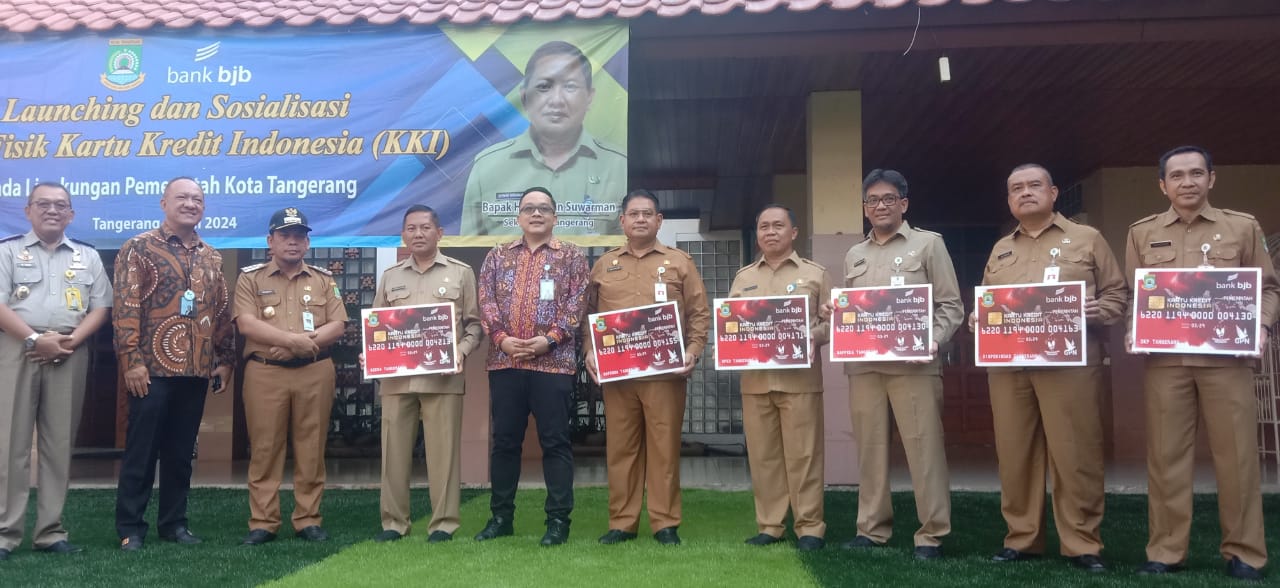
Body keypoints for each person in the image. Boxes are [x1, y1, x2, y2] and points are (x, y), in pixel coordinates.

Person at [1125, 146, 1277, 581]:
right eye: (1177, 176)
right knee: (1166, 458)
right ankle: (1167, 551)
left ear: (1212, 178)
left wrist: (1261, 327)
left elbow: (1268, 289)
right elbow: (1139, 295)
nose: (1186, 182)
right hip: (1167, 364)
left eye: (1196, 173)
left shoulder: (1242, 227)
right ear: (1163, 185)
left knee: (1238, 458)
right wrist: (1135, 327)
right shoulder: (1142, 232)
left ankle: (1245, 552)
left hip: (1227, 362)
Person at [976, 164, 1127, 572]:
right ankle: (1022, 539)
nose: (1025, 193)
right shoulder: (1000, 249)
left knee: (1075, 452)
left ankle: (1082, 544)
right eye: (1016, 189)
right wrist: (980, 318)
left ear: (1054, 192)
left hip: (1071, 366)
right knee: (1015, 453)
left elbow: (1117, 293)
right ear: (1009, 199)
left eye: (1034, 186)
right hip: (1010, 369)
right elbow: (990, 303)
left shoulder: (1087, 238)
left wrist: (1099, 311)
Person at [835, 170, 962, 560]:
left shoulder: (928, 245)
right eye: (873, 200)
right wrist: (837, 313)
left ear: (903, 204)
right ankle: (871, 529)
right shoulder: (854, 254)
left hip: (914, 368)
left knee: (924, 451)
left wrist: (934, 341)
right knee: (870, 451)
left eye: (889, 198)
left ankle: (932, 534)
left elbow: (951, 306)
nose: (881, 206)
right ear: (864, 209)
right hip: (865, 369)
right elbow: (852, 312)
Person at [113, 177, 234, 551]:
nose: (190, 203)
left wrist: (225, 358)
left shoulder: (211, 256)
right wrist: (132, 361)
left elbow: (221, 310)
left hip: (195, 371)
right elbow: (125, 308)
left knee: (181, 455)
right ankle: (130, 527)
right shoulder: (138, 248)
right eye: (182, 197)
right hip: (150, 371)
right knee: (142, 452)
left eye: (197, 198)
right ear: (163, 202)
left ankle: (174, 524)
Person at [584, 189, 710, 546]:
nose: (640, 219)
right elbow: (588, 317)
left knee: (664, 448)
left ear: (659, 221)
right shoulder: (604, 265)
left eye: (648, 213)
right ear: (621, 221)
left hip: (664, 375)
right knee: (620, 449)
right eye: (634, 214)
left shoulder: (679, 262)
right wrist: (590, 350)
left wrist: (694, 350)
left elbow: (698, 313)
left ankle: (665, 523)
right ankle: (622, 523)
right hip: (618, 376)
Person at [0, 182, 111, 560]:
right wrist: (34, 340)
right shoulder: (8, 252)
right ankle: (5, 533)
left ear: (71, 214)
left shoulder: (88, 256)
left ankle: (50, 532)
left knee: (58, 445)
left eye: (61, 205)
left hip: (69, 351)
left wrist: (72, 340)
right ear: (28, 209)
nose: (52, 210)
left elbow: (100, 307)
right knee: (10, 446)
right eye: (44, 204)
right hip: (18, 351)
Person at [475, 187, 588, 546]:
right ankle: (500, 517)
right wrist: (502, 339)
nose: (536, 214)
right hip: (505, 363)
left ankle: (557, 522)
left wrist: (550, 339)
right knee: (505, 443)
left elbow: (577, 305)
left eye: (543, 208)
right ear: (519, 217)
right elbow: (486, 301)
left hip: (553, 365)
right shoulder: (497, 256)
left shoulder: (572, 257)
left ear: (555, 216)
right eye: (529, 208)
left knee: (555, 443)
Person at [233, 208, 347, 545]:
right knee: (265, 448)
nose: (293, 241)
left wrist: (299, 348)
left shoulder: (324, 279)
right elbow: (246, 324)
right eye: (285, 235)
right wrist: (291, 341)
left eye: (300, 235)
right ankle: (263, 522)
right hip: (265, 374)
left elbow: (338, 325)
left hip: (314, 372)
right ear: (270, 241)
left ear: (308, 241)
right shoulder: (250, 278)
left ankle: (308, 519)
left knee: (311, 447)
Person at [370, 205, 483, 544]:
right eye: (411, 228)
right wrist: (371, 350)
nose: (417, 234)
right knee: (393, 454)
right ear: (403, 234)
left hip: (444, 378)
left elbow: (474, 326)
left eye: (424, 228)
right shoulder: (391, 276)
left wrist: (461, 351)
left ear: (439, 232)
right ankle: (393, 523)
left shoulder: (461, 273)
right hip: (396, 380)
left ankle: (443, 524)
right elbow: (377, 324)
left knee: (444, 455)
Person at [730, 204, 831, 552]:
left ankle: (810, 528)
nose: (770, 232)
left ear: (794, 232)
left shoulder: (815, 274)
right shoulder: (743, 277)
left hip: (800, 381)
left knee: (804, 456)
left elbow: (834, 323)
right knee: (763, 456)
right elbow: (732, 325)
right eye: (763, 227)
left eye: (778, 225)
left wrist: (812, 335)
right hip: (755, 382)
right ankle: (771, 525)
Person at [461, 41, 626, 237]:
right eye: (544, 87)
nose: (557, 100)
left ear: (589, 97)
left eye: (570, 86)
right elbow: (469, 249)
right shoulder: (487, 165)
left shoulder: (618, 166)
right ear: (524, 97)